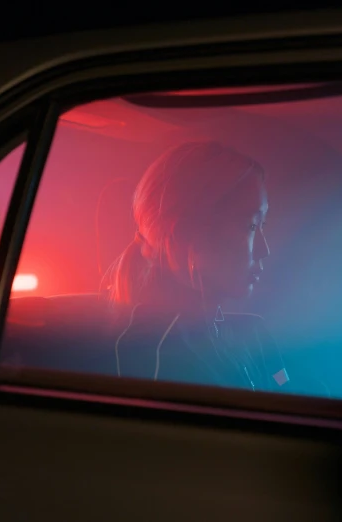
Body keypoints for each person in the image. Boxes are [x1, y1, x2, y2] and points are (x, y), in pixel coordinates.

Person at [102, 141, 291, 392]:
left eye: (262, 225)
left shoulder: (252, 333)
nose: (264, 250)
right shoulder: (161, 357)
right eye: (251, 226)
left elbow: (286, 383)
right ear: (185, 235)